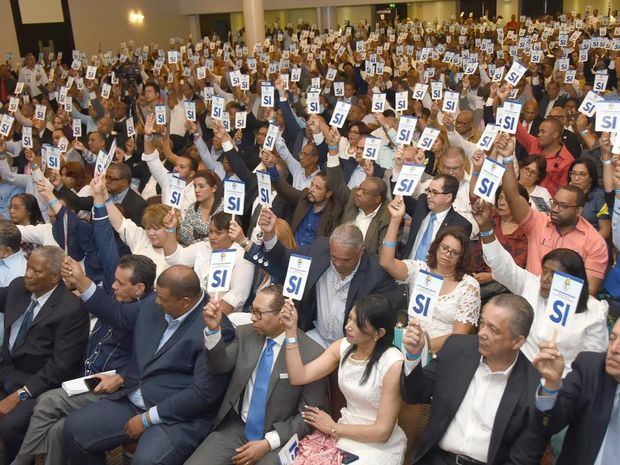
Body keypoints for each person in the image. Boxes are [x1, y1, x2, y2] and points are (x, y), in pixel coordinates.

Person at [62, 264, 235, 465]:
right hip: (134, 399)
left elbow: (202, 394)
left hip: (176, 417)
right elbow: (119, 315)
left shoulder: (216, 330)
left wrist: (148, 419)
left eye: (163, 299)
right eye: (156, 295)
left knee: (147, 462)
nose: (156, 302)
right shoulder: (155, 300)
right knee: (76, 429)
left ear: (185, 302)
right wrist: (83, 282)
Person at [11, 254, 156, 465]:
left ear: (139, 288)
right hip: (86, 378)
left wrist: (82, 281)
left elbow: (142, 352)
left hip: (109, 384)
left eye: (120, 283)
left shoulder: (146, 312)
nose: (113, 286)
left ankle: (21, 461)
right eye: (114, 279)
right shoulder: (119, 298)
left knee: (47, 402)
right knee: (56, 430)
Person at [185, 284, 328, 465]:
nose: (252, 317)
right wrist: (213, 331)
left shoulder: (311, 353)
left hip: (278, 439)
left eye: (259, 313)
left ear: (283, 313)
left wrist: (269, 443)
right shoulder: (245, 334)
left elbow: (309, 416)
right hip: (236, 428)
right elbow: (218, 367)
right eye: (252, 310)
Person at [401, 294, 547, 465]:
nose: (482, 333)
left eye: (493, 330)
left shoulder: (532, 386)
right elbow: (414, 394)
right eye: (482, 323)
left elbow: (523, 458)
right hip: (437, 459)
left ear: (517, 342)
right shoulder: (457, 348)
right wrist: (413, 356)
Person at [475, 199, 609, 374]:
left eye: (554, 275)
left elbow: (592, 365)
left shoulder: (594, 312)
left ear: (572, 281)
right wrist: (486, 229)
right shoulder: (531, 285)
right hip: (516, 376)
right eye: (545, 271)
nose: (544, 279)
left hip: (560, 383)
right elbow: (502, 265)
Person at [279, 294, 406, 465]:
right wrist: (291, 330)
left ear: (379, 333)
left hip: (377, 446)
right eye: (349, 318)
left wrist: (333, 427)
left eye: (358, 324)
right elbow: (298, 376)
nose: (348, 327)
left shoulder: (392, 362)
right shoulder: (343, 346)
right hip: (343, 433)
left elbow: (382, 432)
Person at [0, 246, 89, 464]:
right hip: (8, 369)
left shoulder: (71, 309)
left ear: (54, 277)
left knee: (10, 426)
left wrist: (19, 395)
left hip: (40, 382)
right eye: (28, 266)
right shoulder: (18, 287)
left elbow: (60, 367)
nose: (28, 274)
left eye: (36, 271)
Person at [260, 209, 397, 347]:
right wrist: (270, 235)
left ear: (361, 252)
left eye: (346, 260)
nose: (338, 264)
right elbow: (287, 259)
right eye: (334, 258)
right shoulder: (319, 250)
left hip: (352, 345)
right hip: (316, 334)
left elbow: (383, 322)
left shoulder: (377, 274)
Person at [496, 133, 608, 295]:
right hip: (529, 298)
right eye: (554, 203)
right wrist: (507, 159)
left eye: (563, 206)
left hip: (564, 306)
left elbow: (590, 291)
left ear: (578, 211)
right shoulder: (538, 222)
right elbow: (513, 196)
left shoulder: (594, 242)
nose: (555, 209)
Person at [380, 197, 480, 354]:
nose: (447, 254)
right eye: (444, 248)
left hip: (441, 354)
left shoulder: (469, 286)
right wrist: (395, 220)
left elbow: (459, 336)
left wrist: (422, 347)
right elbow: (386, 262)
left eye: (454, 252)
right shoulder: (420, 269)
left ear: (462, 257)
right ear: (436, 247)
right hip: (408, 345)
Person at [533, 320, 620, 465]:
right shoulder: (590, 369)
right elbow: (549, 423)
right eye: (613, 338)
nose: (615, 348)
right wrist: (551, 385)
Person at [162, 210, 254, 314]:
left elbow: (237, 294)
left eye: (218, 233)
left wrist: (210, 316)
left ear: (232, 233)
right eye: (210, 231)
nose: (212, 237)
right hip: (194, 307)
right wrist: (170, 229)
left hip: (222, 316)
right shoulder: (202, 246)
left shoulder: (243, 256)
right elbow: (174, 259)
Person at [398, 174, 472, 260]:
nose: (429, 196)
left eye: (434, 192)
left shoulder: (460, 225)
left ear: (448, 197)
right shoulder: (422, 205)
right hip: (406, 266)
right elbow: (401, 196)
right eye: (428, 191)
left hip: (432, 272)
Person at [515, 116, 574, 196]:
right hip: (522, 193)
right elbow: (519, 131)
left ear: (555, 135)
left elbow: (563, 191)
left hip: (545, 203)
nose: (538, 134)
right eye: (539, 131)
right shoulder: (535, 143)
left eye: (543, 132)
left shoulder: (567, 161)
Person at [178, 169, 224, 246]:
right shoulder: (192, 208)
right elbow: (185, 237)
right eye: (195, 186)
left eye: (201, 186)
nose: (196, 190)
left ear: (214, 188)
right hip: (194, 252)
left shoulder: (225, 208)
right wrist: (178, 220)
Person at [569, 157, 610, 239]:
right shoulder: (565, 193)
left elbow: (605, 230)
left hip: (592, 243)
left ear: (591, 178)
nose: (576, 178)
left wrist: (588, 246)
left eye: (582, 174)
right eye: (573, 173)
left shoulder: (599, 196)